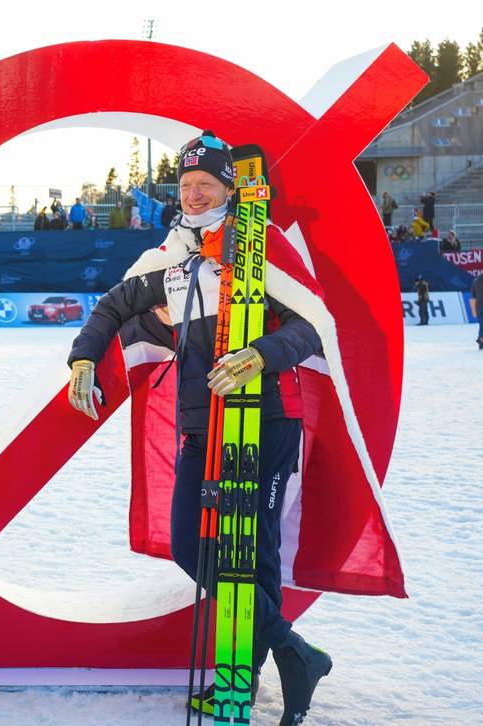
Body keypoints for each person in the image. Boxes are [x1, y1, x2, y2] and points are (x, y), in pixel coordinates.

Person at [65, 131, 332, 725]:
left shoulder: (260, 252)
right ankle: (295, 653)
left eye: (204, 184)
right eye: (184, 185)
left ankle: (243, 685)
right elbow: (111, 306)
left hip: (263, 424)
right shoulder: (174, 263)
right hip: (200, 427)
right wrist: (83, 356)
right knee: (193, 544)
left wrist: (261, 353)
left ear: (229, 187)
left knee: (256, 557)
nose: (192, 194)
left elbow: (312, 325)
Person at [473, 273, 483, 349]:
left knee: (481, 324)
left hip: (478, 305)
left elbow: (473, 294)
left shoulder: (475, 281)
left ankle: (481, 341)